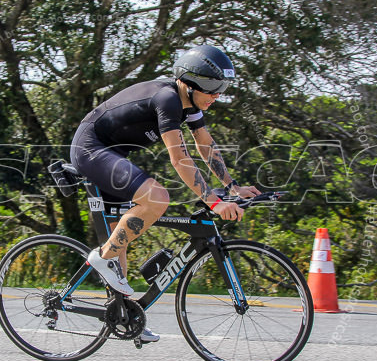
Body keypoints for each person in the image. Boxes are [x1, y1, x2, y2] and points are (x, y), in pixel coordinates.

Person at [70, 45, 261, 342]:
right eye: (212, 86)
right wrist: (213, 200)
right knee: (156, 197)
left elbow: (206, 146)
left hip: (113, 153)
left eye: (221, 87)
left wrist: (231, 187)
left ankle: (124, 315)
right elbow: (180, 157)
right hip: (91, 148)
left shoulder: (191, 105)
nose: (217, 95)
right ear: (189, 80)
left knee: (123, 232)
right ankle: (103, 258)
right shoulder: (168, 98)